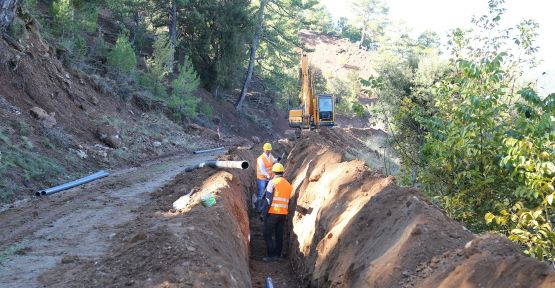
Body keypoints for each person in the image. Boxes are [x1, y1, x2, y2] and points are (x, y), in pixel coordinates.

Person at [261, 163, 293, 262]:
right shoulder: (288, 184)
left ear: (274, 172)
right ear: (282, 172)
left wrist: (263, 213)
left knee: (267, 233)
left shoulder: (272, 182)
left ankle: (271, 256)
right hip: (283, 214)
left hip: (273, 213)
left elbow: (268, 200)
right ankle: (277, 255)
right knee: (279, 235)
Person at [255, 143, 277, 211]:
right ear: (264, 149)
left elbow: (274, 160)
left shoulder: (270, 156)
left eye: (269, 150)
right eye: (267, 150)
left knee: (268, 192)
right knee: (261, 193)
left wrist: (277, 160)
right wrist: (267, 176)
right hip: (262, 178)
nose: (268, 151)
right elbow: (262, 170)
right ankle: (258, 209)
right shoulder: (260, 159)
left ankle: (266, 207)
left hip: (268, 178)